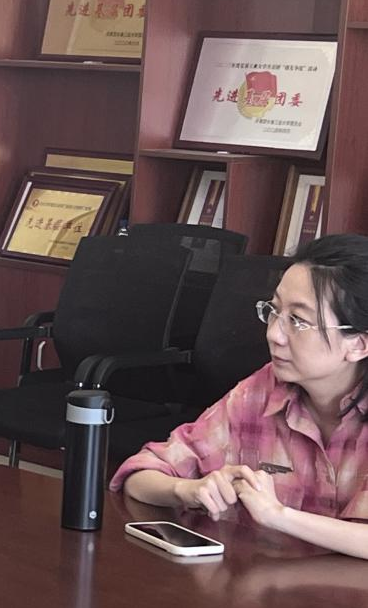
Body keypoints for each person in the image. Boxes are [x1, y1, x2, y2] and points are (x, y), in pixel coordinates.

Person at [113, 234, 368, 560]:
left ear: (359, 344)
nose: (273, 334)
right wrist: (189, 490)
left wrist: (278, 516)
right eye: (274, 311)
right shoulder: (261, 392)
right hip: (268, 584)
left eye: (298, 321)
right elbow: (138, 477)